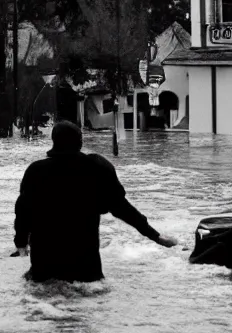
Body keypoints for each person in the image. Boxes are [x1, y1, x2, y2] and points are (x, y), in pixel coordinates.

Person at [13, 121, 178, 283]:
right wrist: (155, 236)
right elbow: (121, 207)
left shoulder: (36, 171)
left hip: (45, 262)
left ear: (54, 141)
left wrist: (21, 243)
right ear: (80, 141)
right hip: (85, 263)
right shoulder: (96, 167)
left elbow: (23, 210)